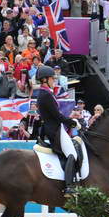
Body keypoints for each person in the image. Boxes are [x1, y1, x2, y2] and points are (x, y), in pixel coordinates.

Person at [35, 65, 81, 195]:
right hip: (54, 130)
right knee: (72, 154)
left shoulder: (46, 93)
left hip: (54, 128)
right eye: (52, 78)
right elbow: (57, 115)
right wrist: (71, 122)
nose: (54, 81)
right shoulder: (45, 94)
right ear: (45, 79)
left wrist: (70, 120)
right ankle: (69, 186)